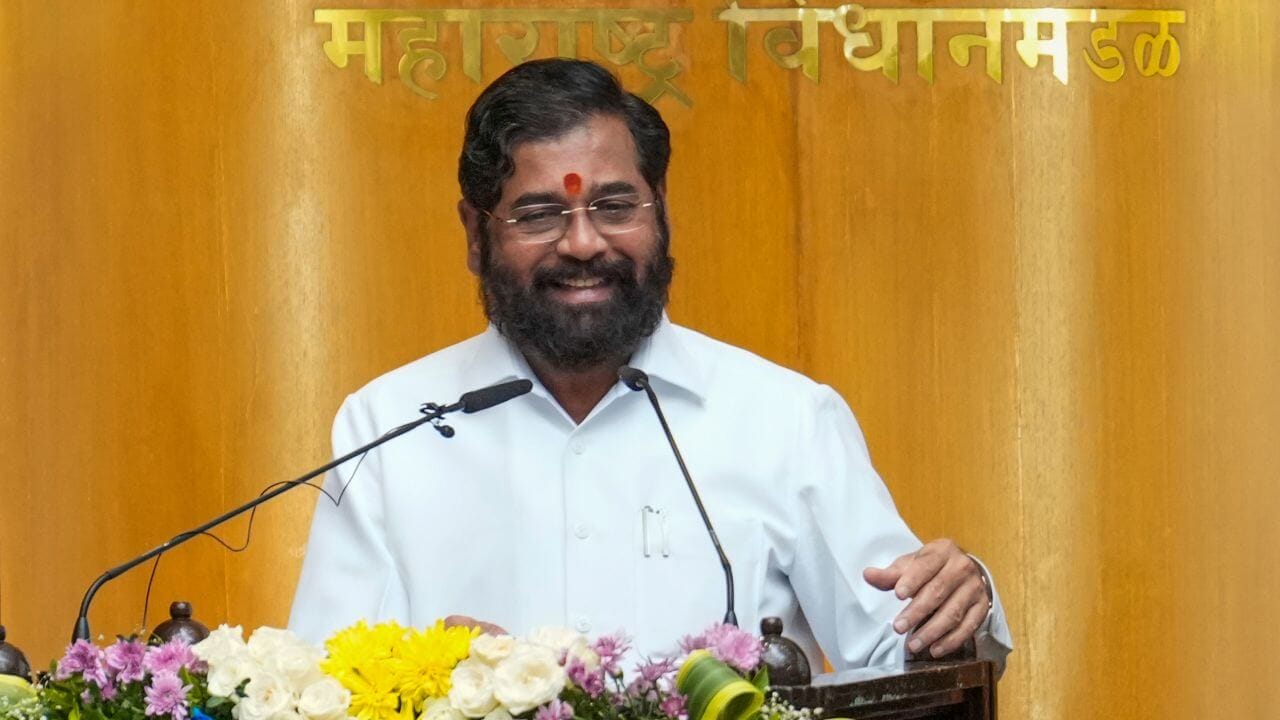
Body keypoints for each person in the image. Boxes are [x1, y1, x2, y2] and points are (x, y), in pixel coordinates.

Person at [288, 59, 1012, 672]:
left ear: (659, 211)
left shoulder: (785, 419)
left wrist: (960, 605)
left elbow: (903, 653)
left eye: (614, 206)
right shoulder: (388, 428)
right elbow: (326, 687)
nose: (582, 244)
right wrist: (438, 684)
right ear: (476, 234)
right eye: (538, 215)